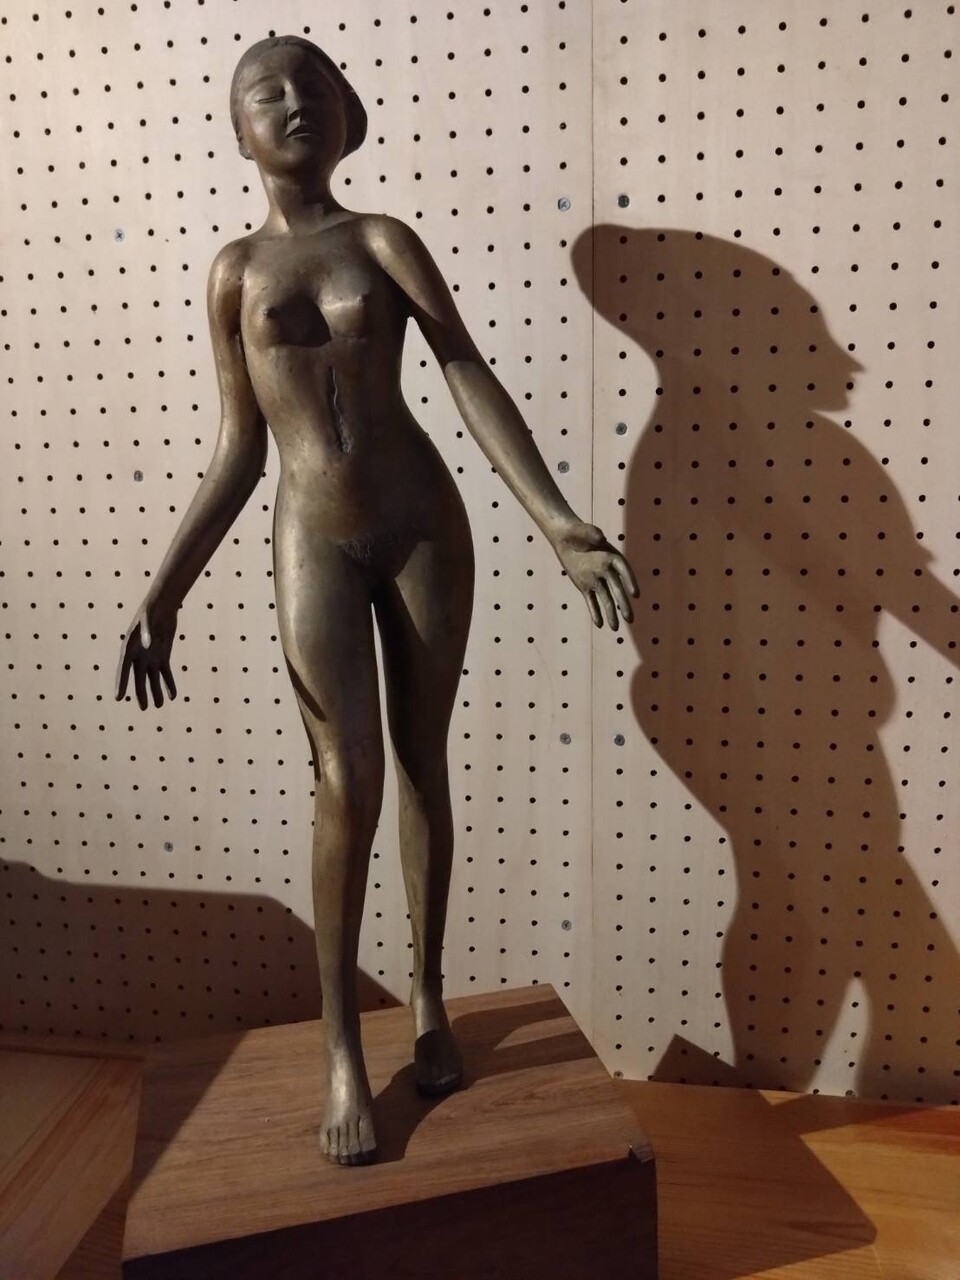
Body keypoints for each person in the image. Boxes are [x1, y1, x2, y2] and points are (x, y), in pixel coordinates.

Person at [116, 34, 636, 1166]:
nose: (292, 102)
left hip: (420, 524)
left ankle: (430, 997)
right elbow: (238, 448)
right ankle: (343, 1049)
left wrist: (556, 520)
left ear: (347, 113)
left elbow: (465, 368)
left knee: (420, 759)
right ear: (239, 129)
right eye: (266, 92)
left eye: (312, 85)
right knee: (343, 779)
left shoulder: (382, 240)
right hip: (311, 531)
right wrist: (167, 587)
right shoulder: (234, 272)